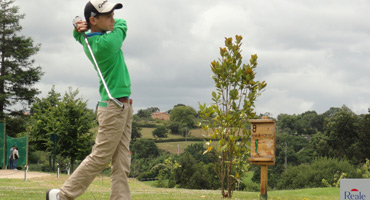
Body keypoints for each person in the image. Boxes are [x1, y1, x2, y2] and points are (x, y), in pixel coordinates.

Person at [46, 0, 133, 199]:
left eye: (113, 15)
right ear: (93, 20)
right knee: (101, 157)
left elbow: (78, 33)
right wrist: (80, 23)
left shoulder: (87, 38)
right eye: (108, 16)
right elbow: (123, 24)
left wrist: (78, 23)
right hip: (114, 107)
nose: (113, 19)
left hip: (121, 107)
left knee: (121, 162)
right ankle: (62, 196)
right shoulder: (107, 43)